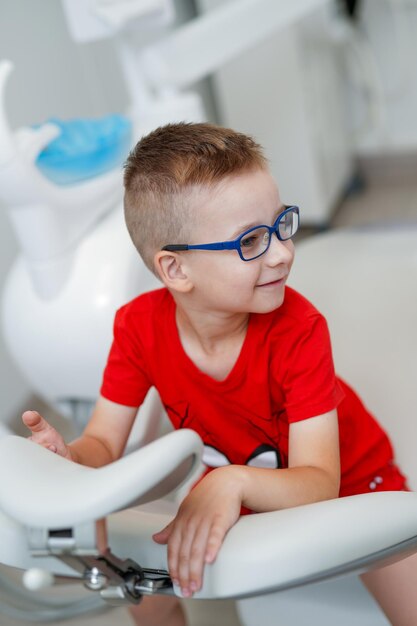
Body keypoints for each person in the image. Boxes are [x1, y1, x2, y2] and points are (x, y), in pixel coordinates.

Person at [23, 122, 417, 626]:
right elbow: (103, 444)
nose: (280, 252)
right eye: (251, 240)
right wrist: (70, 457)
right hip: (234, 482)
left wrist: (229, 482)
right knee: (145, 588)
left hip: (354, 481)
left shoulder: (299, 329)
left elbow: (320, 483)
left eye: (280, 224)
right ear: (176, 271)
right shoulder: (138, 327)